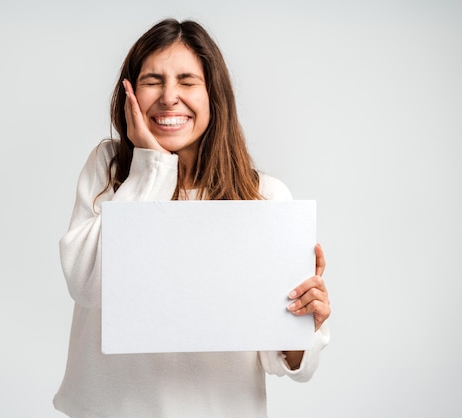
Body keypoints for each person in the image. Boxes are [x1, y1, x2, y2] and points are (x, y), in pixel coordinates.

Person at [53, 18, 331, 417]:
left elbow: (282, 360)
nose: (169, 97)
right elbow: (87, 285)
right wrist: (150, 167)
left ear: (213, 95)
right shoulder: (109, 171)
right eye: (152, 81)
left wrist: (307, 320)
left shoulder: (264, 197)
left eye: (187, 81)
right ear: (129, 92)